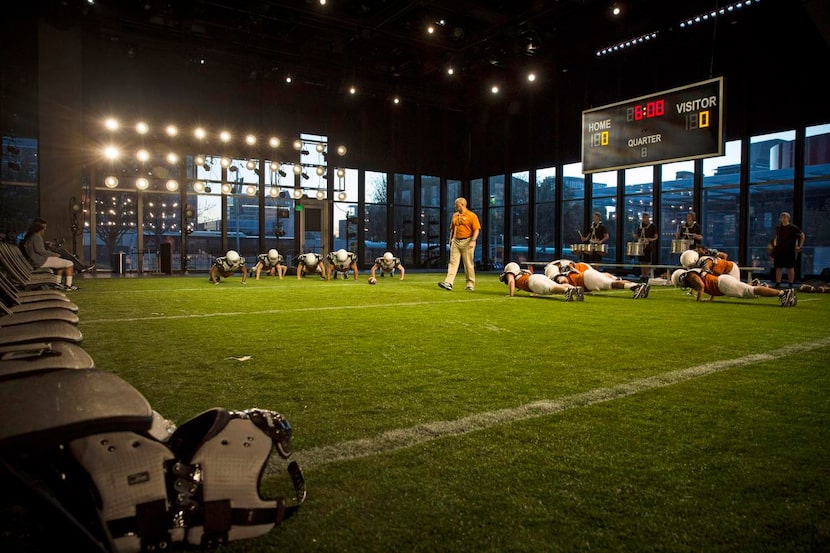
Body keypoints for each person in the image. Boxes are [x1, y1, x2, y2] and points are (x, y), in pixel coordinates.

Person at [672, 268, 796, 306]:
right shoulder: (694, 273)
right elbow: (708, 283)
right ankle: (760, 285)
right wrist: (710, 298)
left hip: (724, 285)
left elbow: (701, 285)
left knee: (751, 291)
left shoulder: (690, 276)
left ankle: (782, 293)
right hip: (723, 282)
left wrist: (698, 301)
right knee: (749, 290)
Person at [20, 218, 78, 290]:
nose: (44, 231)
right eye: (44, 229)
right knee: (70, 264)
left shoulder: (31, 237)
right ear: (40, 230)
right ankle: (68, 285)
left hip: (36, 261)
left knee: (63, 263)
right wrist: (53, 254)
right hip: (40, 261)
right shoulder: (36, 237)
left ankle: (58, 283)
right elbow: (40, 250)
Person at [547, 259, 650, 299]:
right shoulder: (580, 265)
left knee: (611, 284)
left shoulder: (553, 267)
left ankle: (636, 287)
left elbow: (562, 280)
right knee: (612, 281)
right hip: (589, 275)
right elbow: (600, 274)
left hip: (583, 279)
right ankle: (637, 285)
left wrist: (564, 287)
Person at [438, 197, 481, 292]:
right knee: (453, 263)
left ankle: (470, 284)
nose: (455, 206)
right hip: (456, 242)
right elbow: (452, 229)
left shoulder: (471, 215)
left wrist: (473, 240)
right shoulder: (454, 216)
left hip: (468, 241)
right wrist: (451, 240)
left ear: (462, 204)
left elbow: (476, 230)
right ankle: (448, 283)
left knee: (468, 264)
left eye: (456, 204)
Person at [499, 262, 583, 301]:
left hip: (532, 282)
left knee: (550, 289)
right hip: (537, 276)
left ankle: (567, 291)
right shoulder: (523, 273)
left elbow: (511, 282)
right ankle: (576, 289)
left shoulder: (511, 274)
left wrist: (511, 295)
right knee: (555, 285)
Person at [770, 211, 805, 288]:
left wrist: (800, 246)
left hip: (790, 250)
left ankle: (790, 284)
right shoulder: (779, 228)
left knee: (790, 267)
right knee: (778, 267)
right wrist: (774, 248)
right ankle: (778, 283)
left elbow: (802, 235)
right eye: (782, 217)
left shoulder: (793, 228)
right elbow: (776, 238)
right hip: (779, 250)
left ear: (788, 218)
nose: (783, 219)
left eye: (785, 217)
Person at [632, 212, 657, 282]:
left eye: (646, 218)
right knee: (641, 261)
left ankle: (646, 276)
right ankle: (643, 275)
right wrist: (635, 236)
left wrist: (649, 239)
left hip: (648, 246)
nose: (645, 219)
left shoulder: (652, 226)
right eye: (644, 218)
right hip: (641, 245)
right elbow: (638, 236)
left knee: (647, 261)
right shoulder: (640, 226)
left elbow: (656, 237)